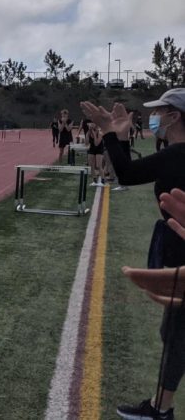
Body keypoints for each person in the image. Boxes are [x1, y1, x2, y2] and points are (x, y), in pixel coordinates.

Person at [80, 90, 185, 420]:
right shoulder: (174, 154)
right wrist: (120, 136)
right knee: (174, 331)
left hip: (182, 251)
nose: (155, 118)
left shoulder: (177, 154)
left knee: (177, 332)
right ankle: (160, 405)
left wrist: (111, 132)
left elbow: (126, 175)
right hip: (178, 246)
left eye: (161, 112)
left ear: (175, 116)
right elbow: (130, 171)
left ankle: (160, 410)